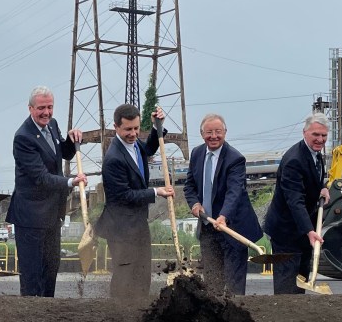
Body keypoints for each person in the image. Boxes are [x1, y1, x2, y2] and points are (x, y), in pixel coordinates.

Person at [5, 86, 86, 297]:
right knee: (32, 277)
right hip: (31, 217)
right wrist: (71, 182)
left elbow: (63, 153)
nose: (46, 113)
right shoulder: (23, 137)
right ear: (30, 108)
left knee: (50, 270)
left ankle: (48, 318)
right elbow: (40, 177)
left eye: (50, 107)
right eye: (41, 108)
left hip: (52, 214)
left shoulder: (53, 125)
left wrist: (72, 140)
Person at [95, 104, 174, 300]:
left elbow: (150, 148)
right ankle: (119, 315)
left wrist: (157, 126)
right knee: (125, 276)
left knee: (142, 274)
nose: (133, 133)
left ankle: (140, 312)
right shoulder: (113, 159)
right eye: (128, 129)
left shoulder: (136, 145)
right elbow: (124, 196)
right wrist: (156, 191)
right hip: (120, 228)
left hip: (138, 223)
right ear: (116, 127)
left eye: (137, 128)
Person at [183, 113, 263, 295]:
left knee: (234, 284)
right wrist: (194, 204)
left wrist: (223, 216)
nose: (214, 136)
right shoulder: (196, 154)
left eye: (218, 131)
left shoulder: (235, 159)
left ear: (225, 132)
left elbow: (234, 192)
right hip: (207, 226)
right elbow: (189, 185)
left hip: (233, 228)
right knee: (211, 281)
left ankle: (235, 317)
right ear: (202, 134)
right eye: (209, 132)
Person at [263, 113, 330, 294]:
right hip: (286, 231)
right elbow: (295, 200)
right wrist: (310, 231)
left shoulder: (315, 154)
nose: (320, 139)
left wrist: (321, 188)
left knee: (301, 278)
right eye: (315, 134)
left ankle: (297, 317)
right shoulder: (294, 160)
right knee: (286, 283)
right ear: (304, 133)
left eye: (324, 135)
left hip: (302, 229)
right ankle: (283, 317)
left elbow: (310, 180)